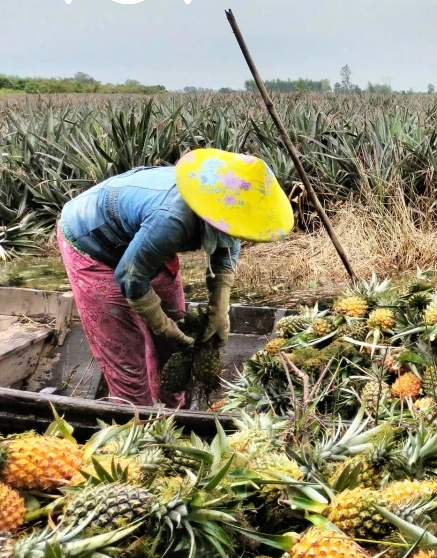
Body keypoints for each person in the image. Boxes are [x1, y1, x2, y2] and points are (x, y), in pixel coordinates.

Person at [57, 149, 293, 406]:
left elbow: (225, 255)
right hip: (93, 242)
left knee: (176, 344)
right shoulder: (172, 218)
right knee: (127, 355)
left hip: (146, 241)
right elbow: (130, 276)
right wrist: (162, 325)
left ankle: (174, 413)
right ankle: (134, 420)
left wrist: (219, 310)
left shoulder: (231, 213)